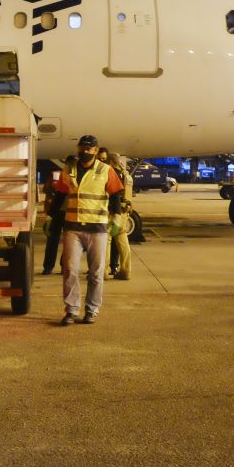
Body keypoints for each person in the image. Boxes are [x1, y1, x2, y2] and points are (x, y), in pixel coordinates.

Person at [49, 135, 123, 325]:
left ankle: (91, 310)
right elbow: (60, 195)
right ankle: (72, 310)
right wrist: (51, 218)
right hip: (73, 227)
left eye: (89, 149)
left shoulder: (107, 170)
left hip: (97, 228)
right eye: (82, 148)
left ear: (96, 151)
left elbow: (115, 194)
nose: (85, 152)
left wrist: (116, 217)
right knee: (70, 270)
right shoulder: (69, 170)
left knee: (96, 273)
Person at [42, 155, 76, 275]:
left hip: (59, 213)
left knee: (52, 241)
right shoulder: (79, 175)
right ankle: (64, 266)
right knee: (69, 242)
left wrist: (50, 214)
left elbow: (59, 196)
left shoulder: (64, 174)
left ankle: (48, 267)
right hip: (72, 213)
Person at [105, 152, 133, 280]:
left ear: (110, 161)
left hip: (113, 212)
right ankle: (126, 270)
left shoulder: (111, 173)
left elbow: (113, 194)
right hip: (124, 212)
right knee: (123, 241)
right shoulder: (126, 174)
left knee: (107, 241)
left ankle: (104, 271)